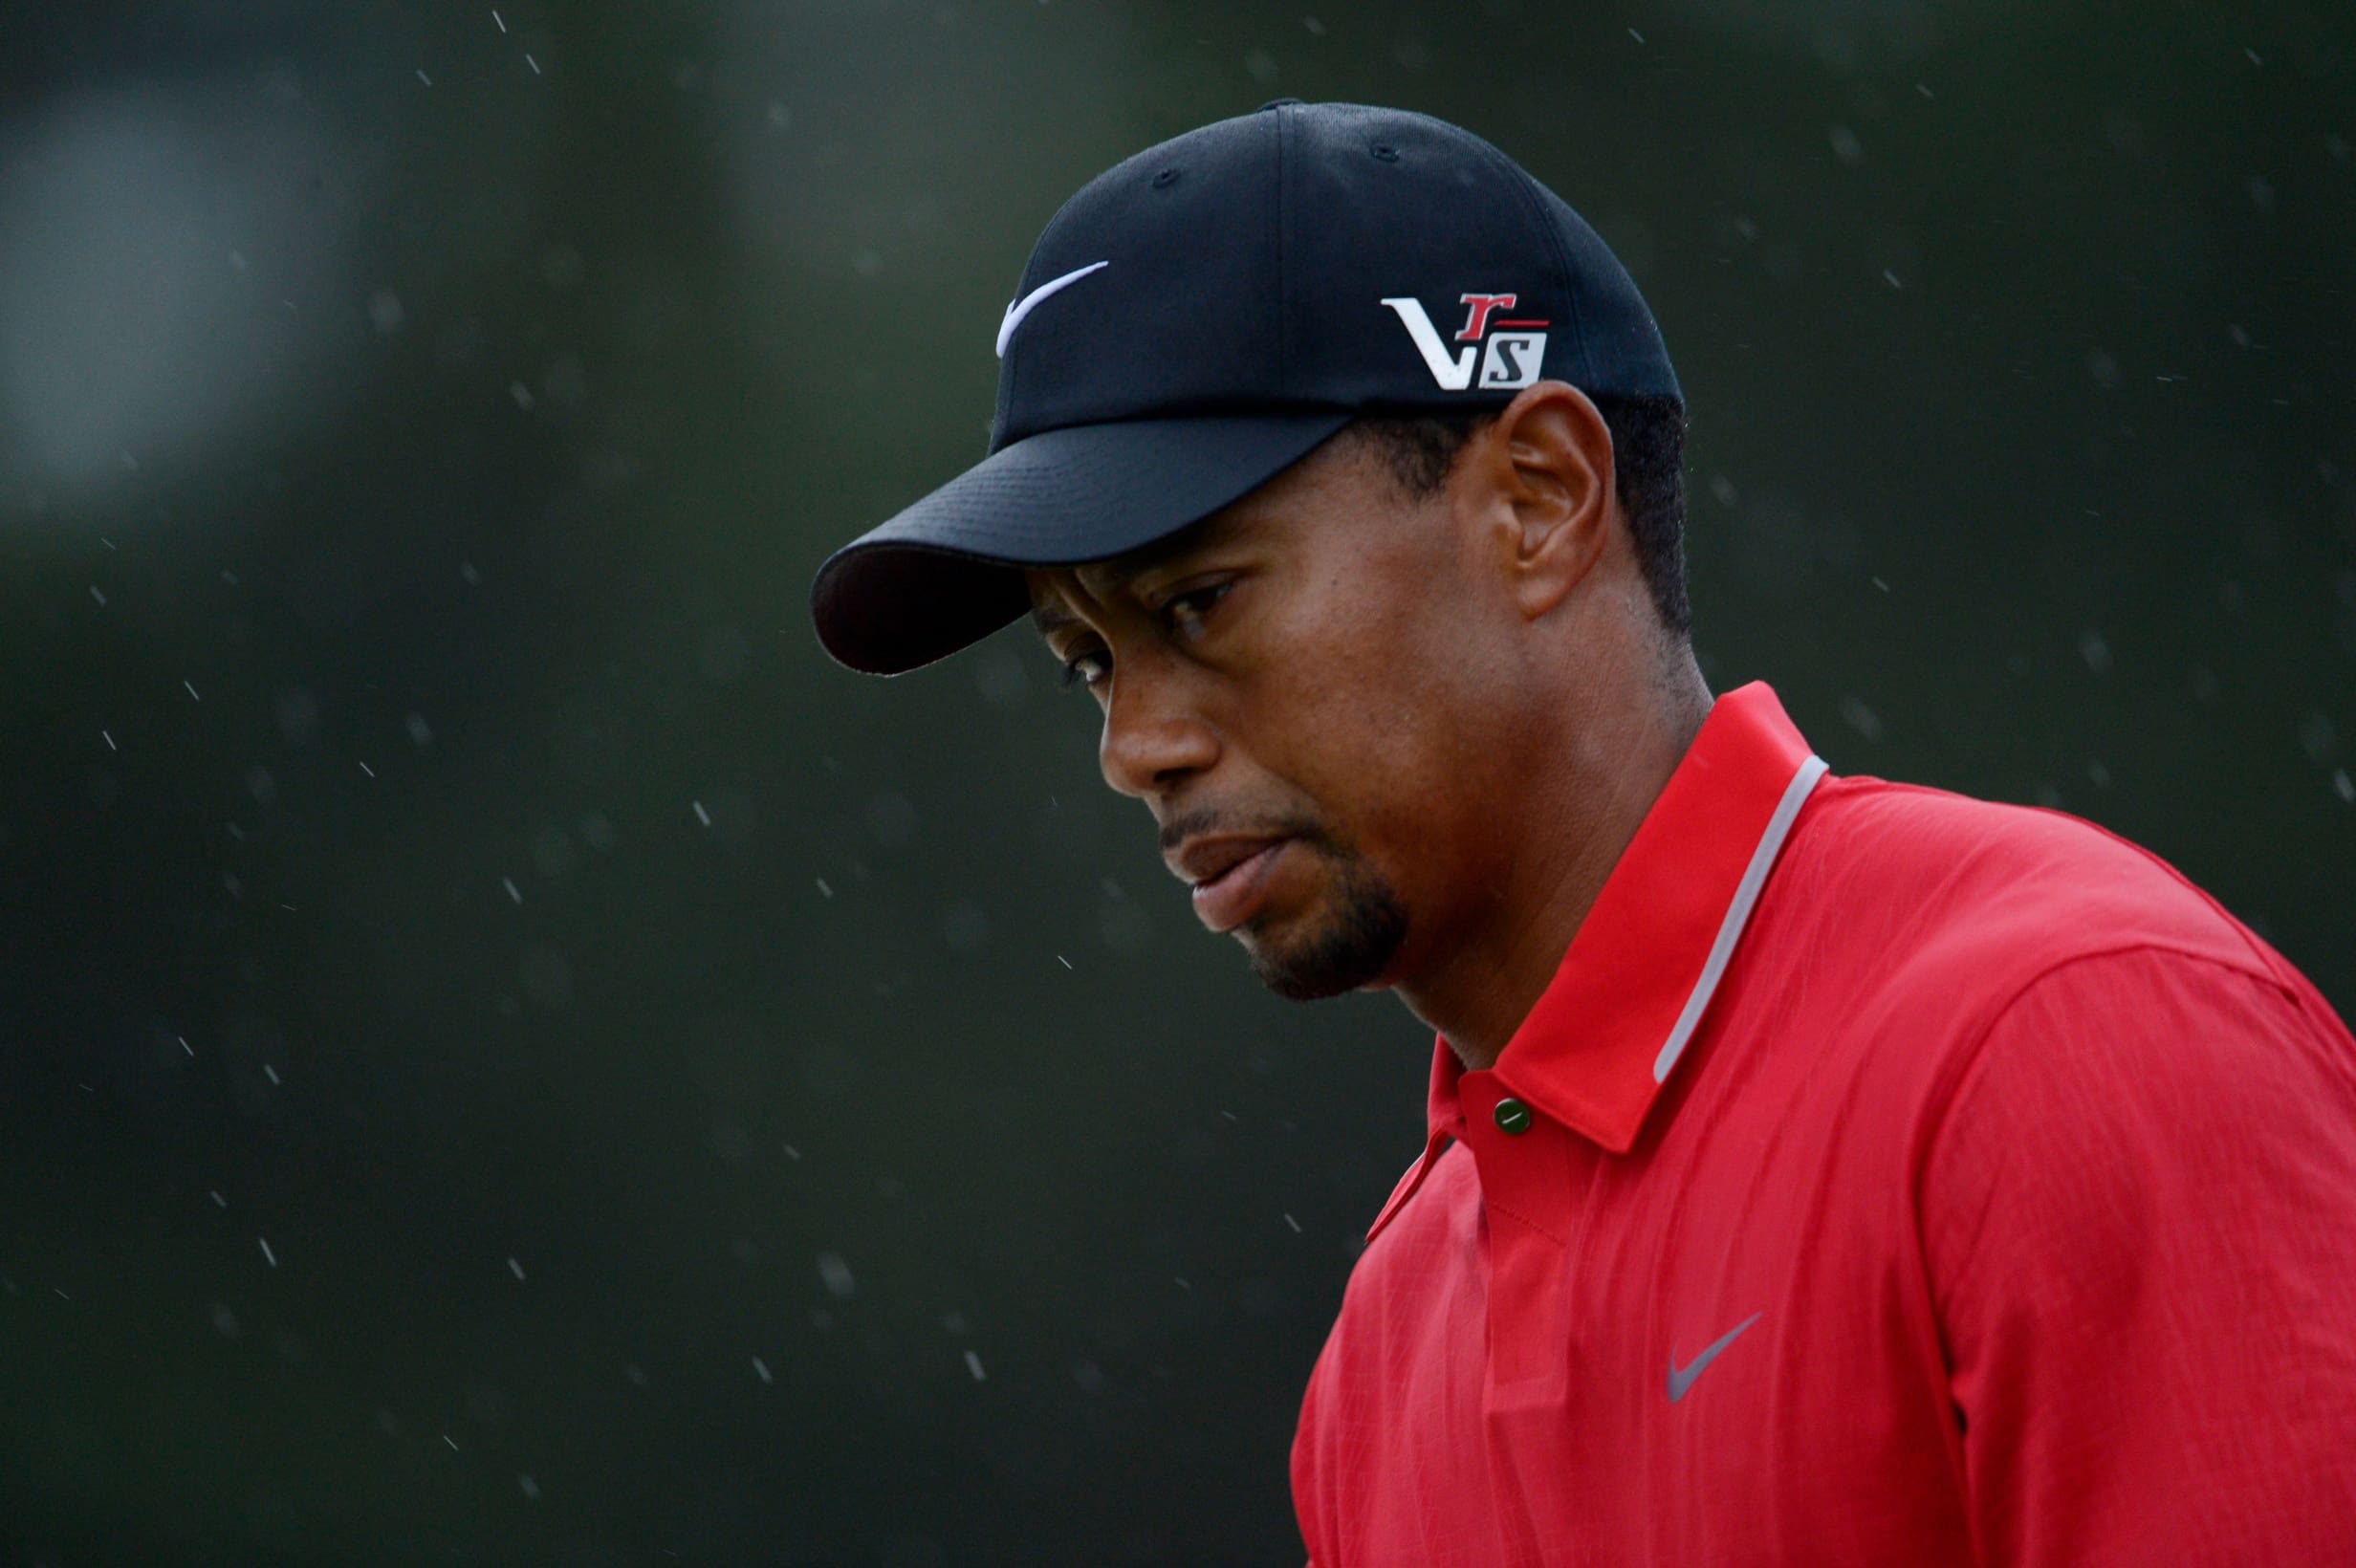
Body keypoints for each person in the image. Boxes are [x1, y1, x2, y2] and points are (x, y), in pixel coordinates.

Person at [809, 101, 2356, 1565]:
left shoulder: (2063, 1043)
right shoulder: (1388, 1345)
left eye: (1199, 603)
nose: (1134, 748)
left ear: (1540, 497)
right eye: (1088, 660)